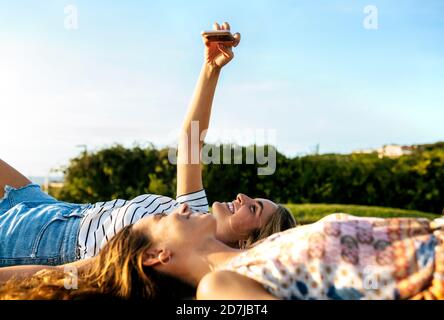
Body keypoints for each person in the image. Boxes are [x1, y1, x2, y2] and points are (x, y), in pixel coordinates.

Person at [0, 21, 295, 268]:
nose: (242, 197)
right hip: (57, 210)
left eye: (254, 209)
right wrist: (211, 68)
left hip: (49, 243)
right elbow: (191, 139)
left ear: (248, 243)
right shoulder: (193, 214)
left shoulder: (183, 254)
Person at [1, 209, 443, 300]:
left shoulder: (258, 249)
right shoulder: (219, 288)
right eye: (158, 220)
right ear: (156, 255)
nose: (176, 207)